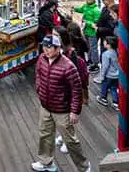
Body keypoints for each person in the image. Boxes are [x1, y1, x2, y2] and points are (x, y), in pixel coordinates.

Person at [30, 35, 89, 172]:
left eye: (49, 47)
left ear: (58, 48)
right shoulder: (41, 59)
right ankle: (46, 163)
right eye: (45, 47)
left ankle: (84, 167)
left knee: (70, 141)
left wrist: (74, 111)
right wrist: (39, 89)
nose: (46, 50)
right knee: (45, 135)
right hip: (45, 107)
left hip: (62, 110)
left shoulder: (68, 67)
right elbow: (38, 74)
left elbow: (76, 90)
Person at [74, 0, 101, 71]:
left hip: (92, 32)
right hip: (86, 31)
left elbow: (96, 23)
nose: (87, 1)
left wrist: (87, 22)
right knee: (88, 47)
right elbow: (81, 9)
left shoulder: (96, 10)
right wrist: (75, 9)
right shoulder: (86, 6)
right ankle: (90, 60)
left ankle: (95, 63)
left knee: (93, 48)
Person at [97, 37, 120, 107]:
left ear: (109, 44)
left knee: (104, 87)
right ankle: (116, 102)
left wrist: (102, 76)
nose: (103, 43)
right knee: (114, 88)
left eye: (104, 42)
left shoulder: (106, 54)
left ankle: (103, 98)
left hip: (108, 75)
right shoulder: (117, 52)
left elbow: (105, 66)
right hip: (117, 75)